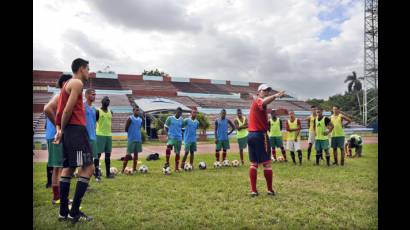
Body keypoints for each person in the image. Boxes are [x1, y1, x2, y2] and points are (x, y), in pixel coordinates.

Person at [54, 58, 93, 222]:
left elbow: (61, 110)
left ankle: (63, 211)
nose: (89, 72)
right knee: (88, 167)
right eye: (88, 69)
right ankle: (74, 211)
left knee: (68, 168)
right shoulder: (77, 83)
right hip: (76, 130)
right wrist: (61, 130)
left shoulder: (67, 84)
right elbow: (67, 110)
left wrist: (61, 129)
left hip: (70, 130)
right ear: (81, 69)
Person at [247, 84, 284, 196]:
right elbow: (263, 102)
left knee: (254, 163)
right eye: (265, 91)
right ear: (259, 92)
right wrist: (276, 95)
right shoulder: (259, 101)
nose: (267, 92)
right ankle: (269, 189)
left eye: (268, 91)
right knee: (267, 164)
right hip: (260, 135)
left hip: (251, 135)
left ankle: (253, 190)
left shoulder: (256, 101)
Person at [44, 74, 73, 205]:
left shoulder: (62, 96)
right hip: (56, 136)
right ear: (65, 83)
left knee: (59, 167)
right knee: (59, 168)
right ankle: (58, 198)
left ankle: (58, 197)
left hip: (55, 136)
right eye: (70, 81)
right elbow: (47, 109)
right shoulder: (59, 95)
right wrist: (59, 128)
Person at [96, 96, 115, 179]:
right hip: (100, 135)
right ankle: (96, 173)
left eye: (109, 100)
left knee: (108, 155)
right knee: (98, 155)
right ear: (102, 101)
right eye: (106, 100)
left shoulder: (111, 112)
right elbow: (94, 122)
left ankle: (108, 174)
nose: (108, 101)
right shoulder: (98, 111)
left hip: (109, 135)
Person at [122, 106, 144, 174]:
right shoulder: (130, 118)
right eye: (136, 110)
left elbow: (139, 128)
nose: (138, 111)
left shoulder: (140, 119)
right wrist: (131, 132)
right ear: (133, 111)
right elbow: (126, 129)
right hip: (131, 139)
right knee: (128, 154)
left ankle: (134, 169)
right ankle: (123, 170)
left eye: (138, 110)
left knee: (136, 154)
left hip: (138, 139)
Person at [84, 89, 99, 180]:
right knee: (85, 161)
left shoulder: (94, 109)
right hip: (85, 138)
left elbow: (94, 123)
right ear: (86, 95)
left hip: (93, 137)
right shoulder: (82, 106)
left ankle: (96, 175)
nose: (94, 96)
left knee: (93, 159)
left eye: (95, 94)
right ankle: (83, 180)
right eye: (92, 94)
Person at [164, 107, 184, 172]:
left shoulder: (181, 120)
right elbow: (165, 127)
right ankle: (167, 162)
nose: (179, 114)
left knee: (177, 153)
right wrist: (168, 134)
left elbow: (183, 129)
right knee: (168, 147)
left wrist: (182, 136)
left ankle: (176, 168)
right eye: (178, 112)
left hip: (179, 138)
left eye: (180, 113)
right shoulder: (170, 118)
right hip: (171, 137)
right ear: (176, 112)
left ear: (181, 113)